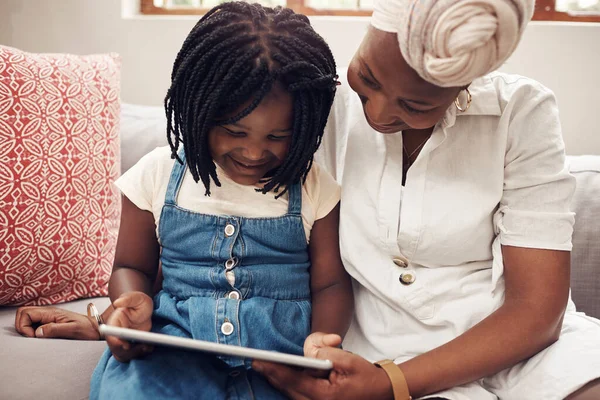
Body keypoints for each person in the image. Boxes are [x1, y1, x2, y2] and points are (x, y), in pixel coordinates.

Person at [15, 0, 600, 399]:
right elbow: (204, 195)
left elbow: (536, 310)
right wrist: (107, 317)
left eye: (416, 106)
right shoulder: (312, 101)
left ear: (465, 89)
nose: (375, 114)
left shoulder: (523, 112)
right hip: (367, 349)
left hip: (490, 343)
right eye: (367, 77)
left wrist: (390, 383)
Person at [79, 2, 352, 399]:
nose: (255, 153)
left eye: (277, 137)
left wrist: (324, 342)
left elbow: (330, 284)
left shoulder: (312, 185)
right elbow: (130, 266)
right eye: (234, 132)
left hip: (281, 361)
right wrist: (128, 302)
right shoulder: (158, 174)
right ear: (198, 112)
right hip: (173, 353)